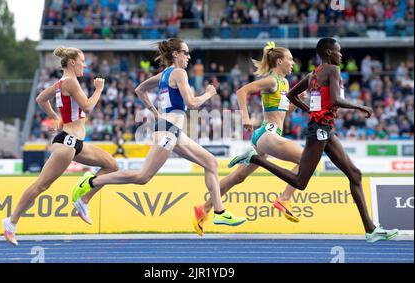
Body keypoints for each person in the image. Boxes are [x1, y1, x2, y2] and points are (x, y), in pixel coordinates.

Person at [229, 38, 399, 243]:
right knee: (300, 182)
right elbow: (335, 99)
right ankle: (256, 159)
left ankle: (370, 229)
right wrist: (360, 107)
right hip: (320, 131)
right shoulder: (332, 70)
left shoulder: (314, 73)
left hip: (325, 129)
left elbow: (292, 95)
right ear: (328, 53)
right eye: (338, 51)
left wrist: (309, 110)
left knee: (355, 174)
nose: (341, 55)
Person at [71, 38, 246, 229]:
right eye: (185, 52)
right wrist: (209, 93)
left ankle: (215, 212)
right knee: (142, 177)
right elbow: (192, 104)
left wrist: (156, 114)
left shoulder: (165, 74)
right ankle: (92, 180)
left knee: (210, 162)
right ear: (175, 54)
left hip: (172, 131)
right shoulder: (179, 73)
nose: (189, 56)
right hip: (168, 132)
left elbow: (140, 90)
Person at [2, 46, 120, 246]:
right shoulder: (70, 82)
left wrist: (55, 118)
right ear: (72, 62)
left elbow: (41, 99)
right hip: (66, 143)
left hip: (76, 143)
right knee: (42, 185)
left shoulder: (61, 83)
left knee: (111, 166)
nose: (85, 65)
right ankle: (11, 222)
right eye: (82, 61)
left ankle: (83, 200)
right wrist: (99, 89)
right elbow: (88, 107)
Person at [194, 41, 306, 236]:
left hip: (268, 136)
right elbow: (241, 91)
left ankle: (203, 209)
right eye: (290, 59)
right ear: (279, 61)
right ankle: (284, 199)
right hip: (267, 134)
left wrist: (298, 102)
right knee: (306, 160)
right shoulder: (271, 81)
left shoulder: (285, 83)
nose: (293, 63)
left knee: (238, 177)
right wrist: (245, 117)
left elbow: (283, 111)